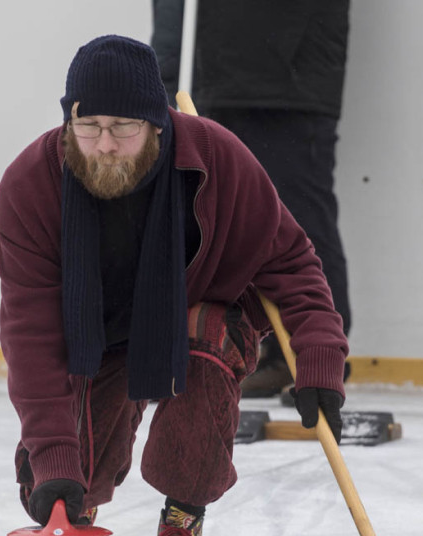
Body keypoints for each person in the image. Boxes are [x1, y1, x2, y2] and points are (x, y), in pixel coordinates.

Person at [0, 35, 348, 536]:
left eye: (124, 128)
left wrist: (320, 357)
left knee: (209, 337)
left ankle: (181, 526)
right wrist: (54, 454)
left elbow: (292, 263)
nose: (105, 145)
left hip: (189, 318)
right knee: (60, 482)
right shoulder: (31, 185)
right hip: (94, 333)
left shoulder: (218, 160)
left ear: (158, 125)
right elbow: (30, 333)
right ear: (68, 122)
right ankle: (72, 496)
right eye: (88, 126)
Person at [151, 0, 352, 396]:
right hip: (218, 75)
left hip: (289, 80)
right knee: (212, 222)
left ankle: (313, 358)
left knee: (298, 222)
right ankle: (215, 352)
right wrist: (165, 77)